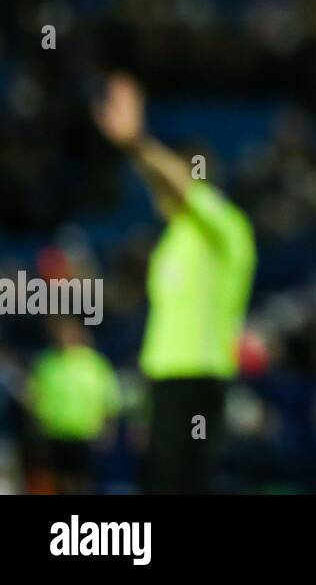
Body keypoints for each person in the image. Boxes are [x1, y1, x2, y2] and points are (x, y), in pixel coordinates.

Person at [91, 71, 257, 494]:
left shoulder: (225, 227)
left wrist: (135, 142)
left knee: (185, 485)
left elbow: (181, 188)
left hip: (198, 379)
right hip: (163, 381)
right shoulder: (172, 241)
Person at [24, 317, 120, 494]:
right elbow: (34, 397)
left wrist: (108, 427)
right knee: (61, 479)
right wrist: (37, 425)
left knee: (85, 480)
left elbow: (109, 398)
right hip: (55, 432)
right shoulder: (47, 363)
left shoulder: (95, 364)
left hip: (87, 432)